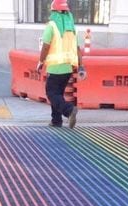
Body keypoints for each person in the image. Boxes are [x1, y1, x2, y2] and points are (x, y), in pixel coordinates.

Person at [36, 0, 86, 129]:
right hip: (68, 68)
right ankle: (56, 120)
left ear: (54, 11)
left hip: (55, 68)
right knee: (57, 94)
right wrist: (81, 65)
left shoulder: (51, 26)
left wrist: (41, 62)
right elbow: (77, 48)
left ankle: (69, 110)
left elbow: (46, 47)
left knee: (51, 94)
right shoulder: (72, 28)